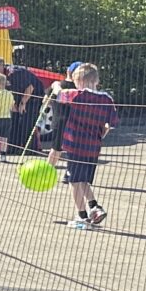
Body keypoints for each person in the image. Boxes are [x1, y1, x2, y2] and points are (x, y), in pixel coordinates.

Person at [49, 63, 119, 230]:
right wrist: (99, 135)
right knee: (83, 179)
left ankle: (82, 216)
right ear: (96, 80)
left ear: (79, 81)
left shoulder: (75, 94)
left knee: (74, 181)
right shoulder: (107, 99)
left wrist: (56, 85)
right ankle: (94, 206)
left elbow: (58, 95)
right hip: (93, 146)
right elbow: (111, 124)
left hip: (75, 144)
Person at [0, 54, 45, 155]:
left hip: (33, 96)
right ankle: (13, 147)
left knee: (27, 121)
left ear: (2, 66)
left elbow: (30, 88)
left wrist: (23, 103)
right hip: (17, 96)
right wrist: (13, 105)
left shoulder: (15, 73)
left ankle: (30, 149)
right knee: (13, 120)